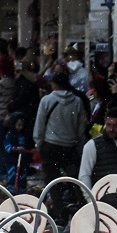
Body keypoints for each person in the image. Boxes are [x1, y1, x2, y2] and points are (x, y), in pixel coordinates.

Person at [33, 72, 86, 223]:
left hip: (51, 146)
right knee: (75, 180)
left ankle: (59, 211)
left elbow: (40, 124)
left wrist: (39, 143)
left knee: (52, 181)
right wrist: (79, 146)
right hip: (70, 146)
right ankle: (82, 207)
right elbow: (80, 126)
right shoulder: (77, 101)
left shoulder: (46, 100)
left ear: (54, 84)